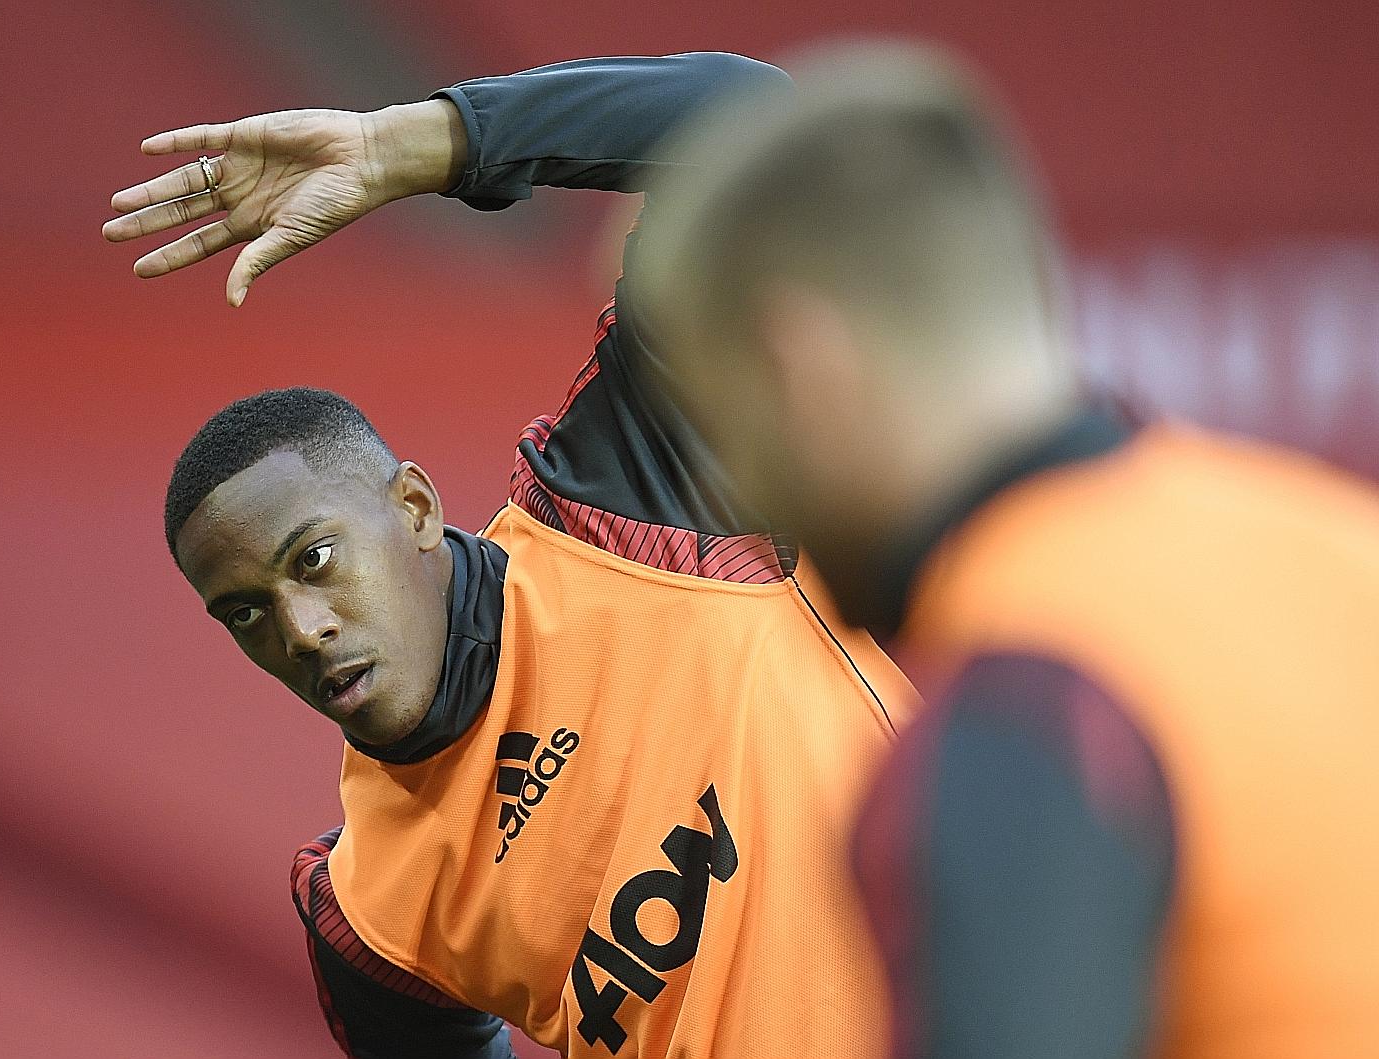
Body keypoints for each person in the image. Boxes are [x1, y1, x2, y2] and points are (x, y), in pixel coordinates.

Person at [105, 54, 921, 1058]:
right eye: (245, 614)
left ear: (411, 506)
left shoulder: (629, 499)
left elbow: (752, 125)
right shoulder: (368, 913)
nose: (300, 630)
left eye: (313, 559)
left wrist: (411, 147)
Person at [637, 42, 1379, 1059]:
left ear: (795, 367)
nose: (734, 494)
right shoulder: (1337, 541)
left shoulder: (1023, 705)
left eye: (717, 428)